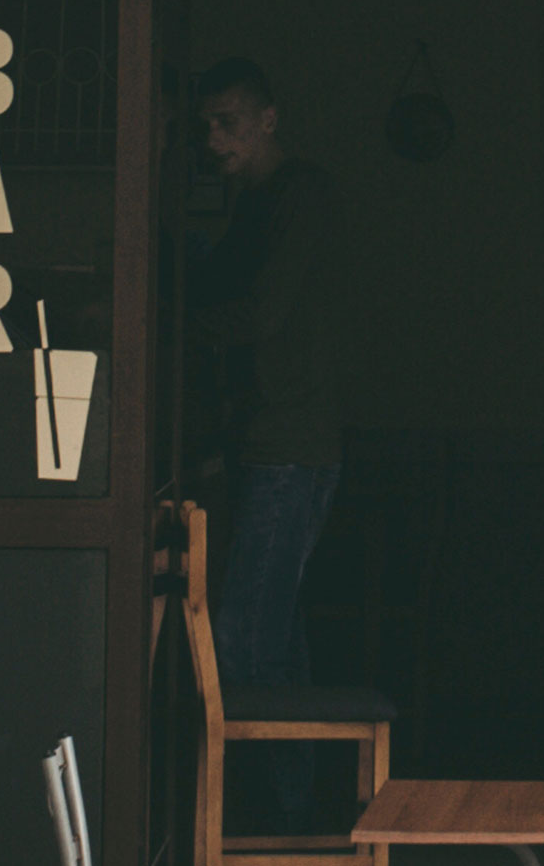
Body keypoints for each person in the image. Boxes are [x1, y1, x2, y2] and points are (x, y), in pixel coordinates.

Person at [193, 57, 345, 833]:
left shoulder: (298, 195)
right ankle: (287, 813)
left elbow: (259, 313)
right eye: (206, 125)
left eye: (229, 121)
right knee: (271, 632)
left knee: (246, 634)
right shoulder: (252, 205)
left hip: (289, 445)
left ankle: (261, 816)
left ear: (268, 119)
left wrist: (152, 322)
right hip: (265, 442)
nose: (214, 139)